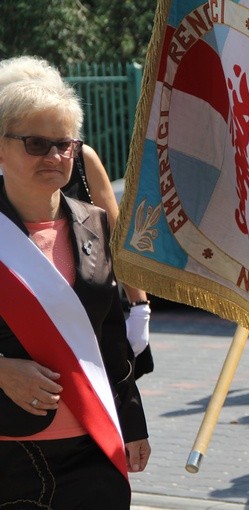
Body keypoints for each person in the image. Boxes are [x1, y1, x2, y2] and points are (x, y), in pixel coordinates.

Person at [0, 78, 150, 507]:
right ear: (0, 149)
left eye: (64, 144)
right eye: (35, 143)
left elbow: (109, 335)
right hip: (9, 453)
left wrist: (133, 421)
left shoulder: (95, 223)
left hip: (92, 444)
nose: (53, 156)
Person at [0, 55, 153, 377]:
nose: (52, 154)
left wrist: (139, 307)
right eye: (34, 142)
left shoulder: (81, 158)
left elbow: (117, 235)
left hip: (89, 299)